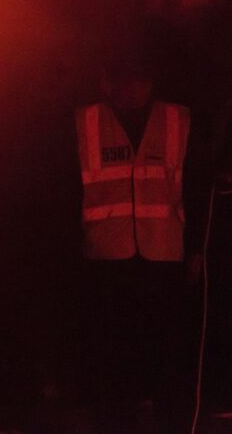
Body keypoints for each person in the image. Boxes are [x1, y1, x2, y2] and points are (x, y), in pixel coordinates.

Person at [73, 50, 203, 432]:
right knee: (115, 365)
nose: (132, 89)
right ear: (108, 83)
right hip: (107, 259)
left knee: (167, 361)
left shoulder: (178, 119)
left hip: (163, 257)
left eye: (139, 80)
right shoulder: (86, 122)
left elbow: (193, 187)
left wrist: (194, 249)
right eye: (124, 80)